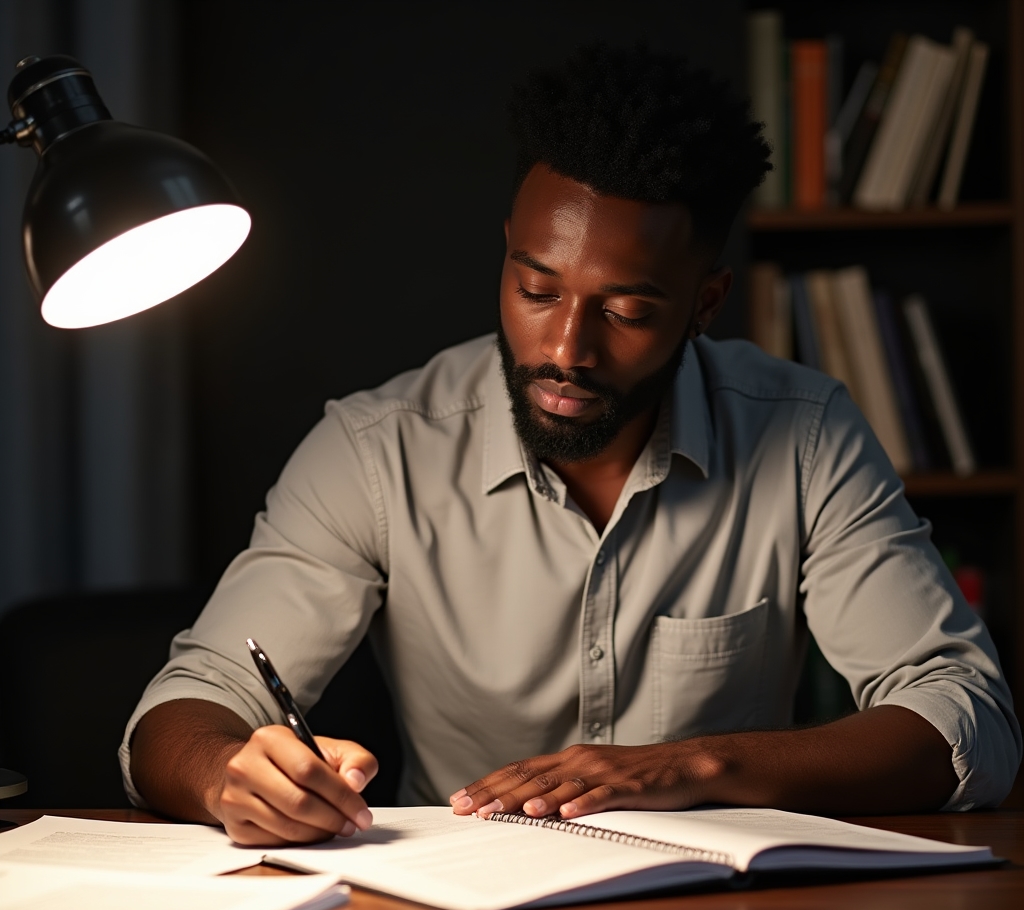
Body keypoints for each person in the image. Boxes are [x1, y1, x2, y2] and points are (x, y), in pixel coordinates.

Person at [124, 45, 1020, 846]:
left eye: (627, 311)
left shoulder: (806, 434)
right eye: (537, 289)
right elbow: (187, 705)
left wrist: (692, 767)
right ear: (506, 257)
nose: (565, 352)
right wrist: (226, 776)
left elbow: (967, 719)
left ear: (705, 305)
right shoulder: (375, 448)